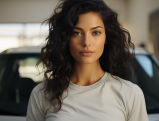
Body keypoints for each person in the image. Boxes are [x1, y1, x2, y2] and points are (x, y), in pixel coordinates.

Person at [26, 0, 149, 121]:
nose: (86, 42)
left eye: (96, 32)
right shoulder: (42, 94)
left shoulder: (130, 93)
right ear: (65, 38)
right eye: (77, 33)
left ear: (106, 37)